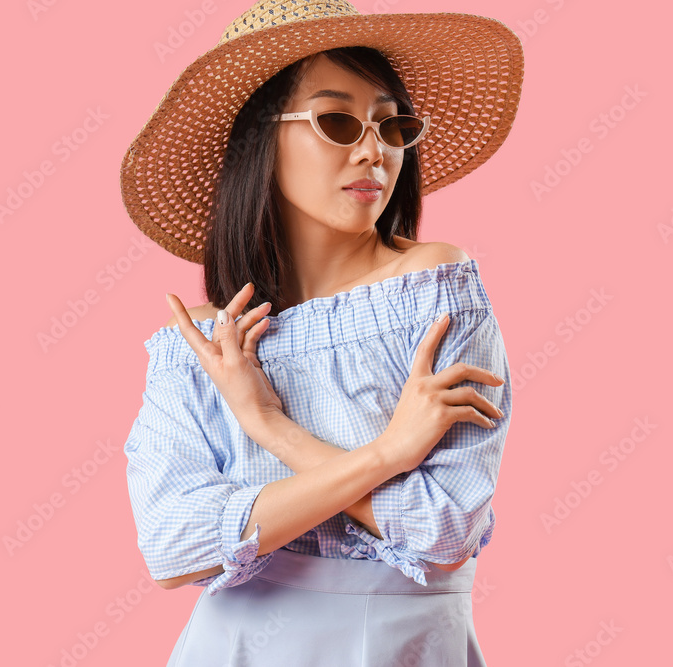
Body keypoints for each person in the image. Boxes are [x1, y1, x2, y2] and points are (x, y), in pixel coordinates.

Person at [119, 1, 524, 664]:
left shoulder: (434, 289)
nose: (375, 149)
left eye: (393, 126)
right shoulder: (199, 346)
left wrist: (270, 426)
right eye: (337, 120)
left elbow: (445, 528)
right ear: (259, 140)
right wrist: (387, 454)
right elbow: (172, 545)